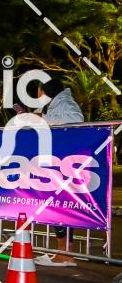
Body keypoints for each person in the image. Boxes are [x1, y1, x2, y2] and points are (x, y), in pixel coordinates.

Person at [33, 78, 84, 267]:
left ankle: (66, 255)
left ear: (46, 91)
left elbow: (77, 120)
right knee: (57, 207)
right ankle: (62, 253)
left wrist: (44, 119)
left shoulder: (65, 102)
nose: (38, 95)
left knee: (62, 207)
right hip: (56, 161)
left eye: (39, 92)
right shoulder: (54, 104)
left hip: (64, 162)